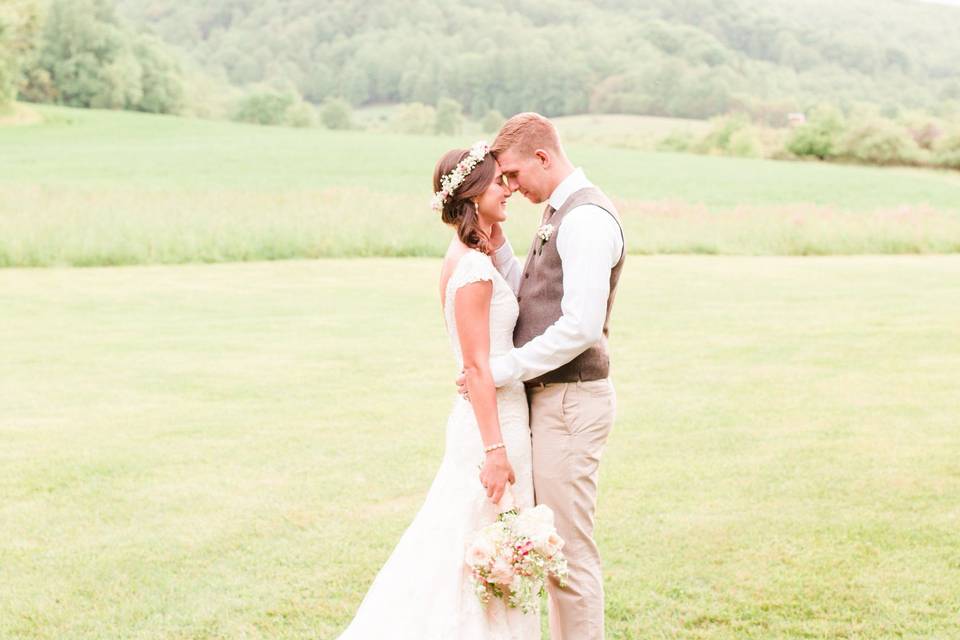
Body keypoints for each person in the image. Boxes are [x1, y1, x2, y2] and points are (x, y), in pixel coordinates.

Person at [336, 141, 540, 639]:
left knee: (476, 550)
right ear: (472, 194)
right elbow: (474, 365)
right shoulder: (472, 268)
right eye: (498, 182)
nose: (508, 188)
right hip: (492, 429)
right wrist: (495, 451)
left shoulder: (469, 257)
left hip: (486, 418)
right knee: (478, 555)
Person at [459, 112, 625, 640]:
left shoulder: (586, 219)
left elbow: (579, 326)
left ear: (543, 157)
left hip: (572, 402)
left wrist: (501, 369)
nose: (508, 186)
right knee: (555, 550)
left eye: (510, 174)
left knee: (569, 555)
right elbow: (533, 297)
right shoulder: (559, 214)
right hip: (553, 401)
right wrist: (498, 238)